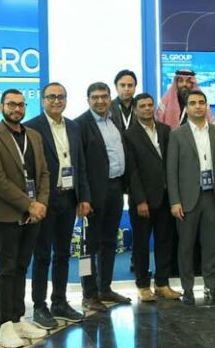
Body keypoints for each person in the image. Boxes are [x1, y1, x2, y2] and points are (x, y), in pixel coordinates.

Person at [0, 89, 49, 347]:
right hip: (7, 213)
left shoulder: (34, 136)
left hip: (34, 213)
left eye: (21, 105)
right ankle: (5, 324)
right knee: (7, 269)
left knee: (22, 267)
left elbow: (44, 173)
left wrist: (41, 204)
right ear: (1, 107)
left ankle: (19, 319)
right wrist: (29, 204)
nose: (16, 109)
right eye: (11, 104)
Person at [25, 82, 92, 329]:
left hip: (69, 197)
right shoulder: (32, 127)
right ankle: (39, 306)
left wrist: (84, 197)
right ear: (42, 100)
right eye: (51, 97)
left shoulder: (74, 127)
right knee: (42, 254)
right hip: (44, 200)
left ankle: (60, 302)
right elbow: (28, 169)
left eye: (61, 97)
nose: (56, 101)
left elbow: (80, 164)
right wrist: (33, 201)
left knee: (63, 254)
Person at [167, 90, 215, 305]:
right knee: (186, 247)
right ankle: (187, 290)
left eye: (201, 102)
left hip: (212, 197)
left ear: (206, 106)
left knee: (210, 246)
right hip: (186, 199)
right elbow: (171, 171)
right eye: (193, 103)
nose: (197, 106)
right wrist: (175, 201)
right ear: (186, 108)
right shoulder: (177, 134)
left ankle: (210, 288)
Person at [76, 82, 132, 311]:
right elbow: (79, 164)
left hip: (115, 189)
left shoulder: (114, 119)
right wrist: (83, 197)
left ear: (110, 98)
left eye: (104, 96)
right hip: (92, 194)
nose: (100, 101)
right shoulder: (80, 124)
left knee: (109, 241)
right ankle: (88, 294)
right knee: (87, 247)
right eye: (95, 97)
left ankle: (104, 288)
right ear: (88, 100)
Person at [124, 93, 182, 302]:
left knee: (165, 242)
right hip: (143, 201)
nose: (147, 109)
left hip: (166, 197)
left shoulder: (166, 130)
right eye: (143, 106)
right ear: (135, 109)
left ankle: (162, 284)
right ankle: (142, 285)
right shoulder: (129, 135)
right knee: (141, 244)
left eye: (150, 105)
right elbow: (132, 171)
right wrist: (140, 200)